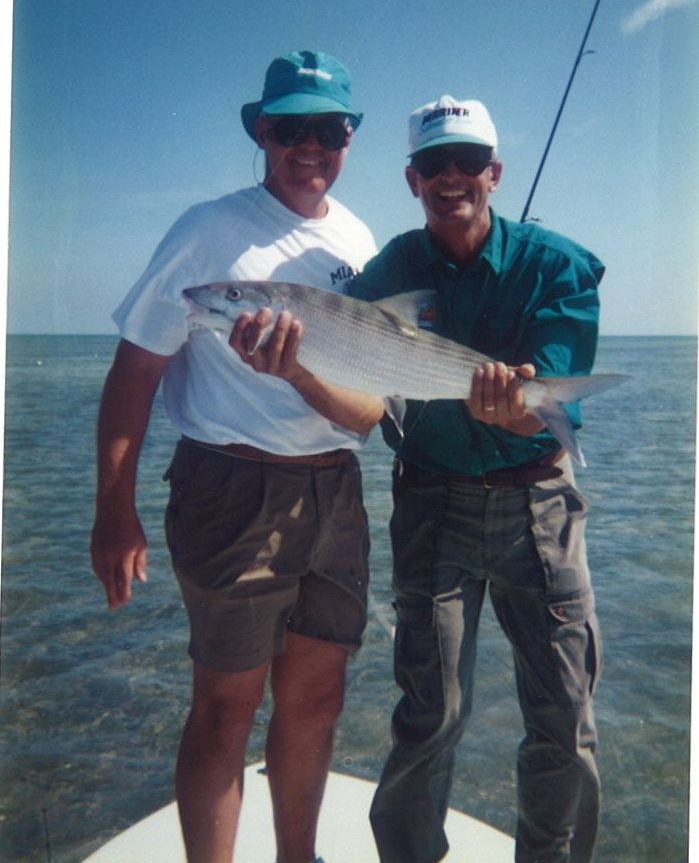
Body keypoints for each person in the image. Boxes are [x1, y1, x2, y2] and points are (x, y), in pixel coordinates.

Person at [90, 50, 379, 863]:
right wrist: (113, 511)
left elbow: (366, 411)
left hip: (336, 491)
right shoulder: (206, 231)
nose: (310, 145)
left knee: (317, 701)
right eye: (291, 128)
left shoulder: (359, 242)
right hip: (230, 488)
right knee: (224, 709)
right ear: (261, 133)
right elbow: (135, 370)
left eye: (329, 129)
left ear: (349, 138)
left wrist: (300, 372)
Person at [346, 96, 605, 863]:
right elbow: (345, 362)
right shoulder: (391, 270)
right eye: (433, 163)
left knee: (562, 714)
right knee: (430, 711)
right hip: (431, 502)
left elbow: (550, 408)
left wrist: (518, 409)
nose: (450, 175)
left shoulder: (553, 266)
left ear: (494, 173)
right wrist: (288, 360)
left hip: (539, 504)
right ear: (411, 179)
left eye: (467, 161)